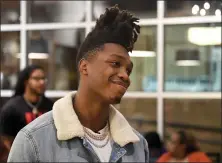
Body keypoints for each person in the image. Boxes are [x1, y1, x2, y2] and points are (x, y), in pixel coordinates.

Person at [7, 5, 149, 162]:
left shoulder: (137, 146)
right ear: (84, 66)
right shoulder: (33, 141)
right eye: (115, 63)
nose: (125, 75)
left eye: (128, 70)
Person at [0, 65, 53, 159]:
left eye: (43, 78)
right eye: (36, 79)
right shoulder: (11, 108)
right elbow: (6, 139)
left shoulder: (50, 107)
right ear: (26, 81)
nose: (42, 82)